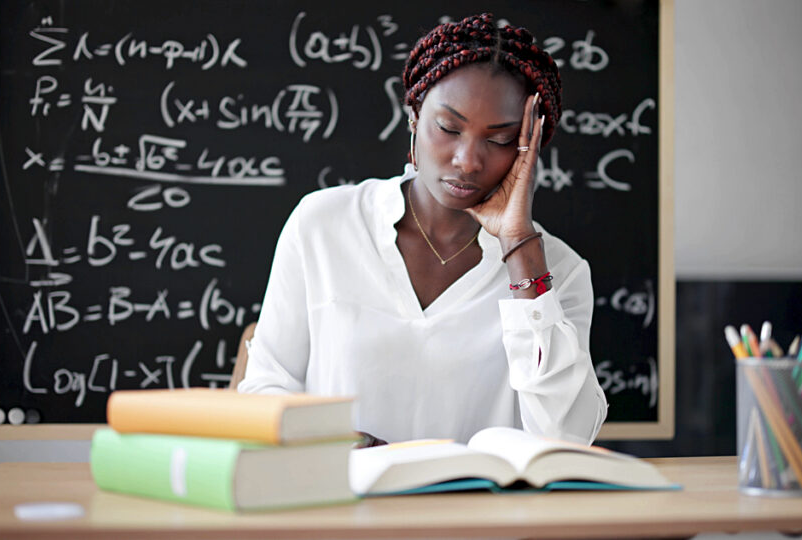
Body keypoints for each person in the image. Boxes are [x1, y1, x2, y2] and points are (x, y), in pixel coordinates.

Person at [239, 13, 607, 446]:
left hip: (476, 509)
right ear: (414, 115)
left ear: (530, 144)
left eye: (501, 139)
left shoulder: (558, 274)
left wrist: (519, 248)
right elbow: (266, 387)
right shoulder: (323, 224)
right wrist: (327, 439)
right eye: (449, 128)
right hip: (340, 499)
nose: (468, 160)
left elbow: (565, 437)